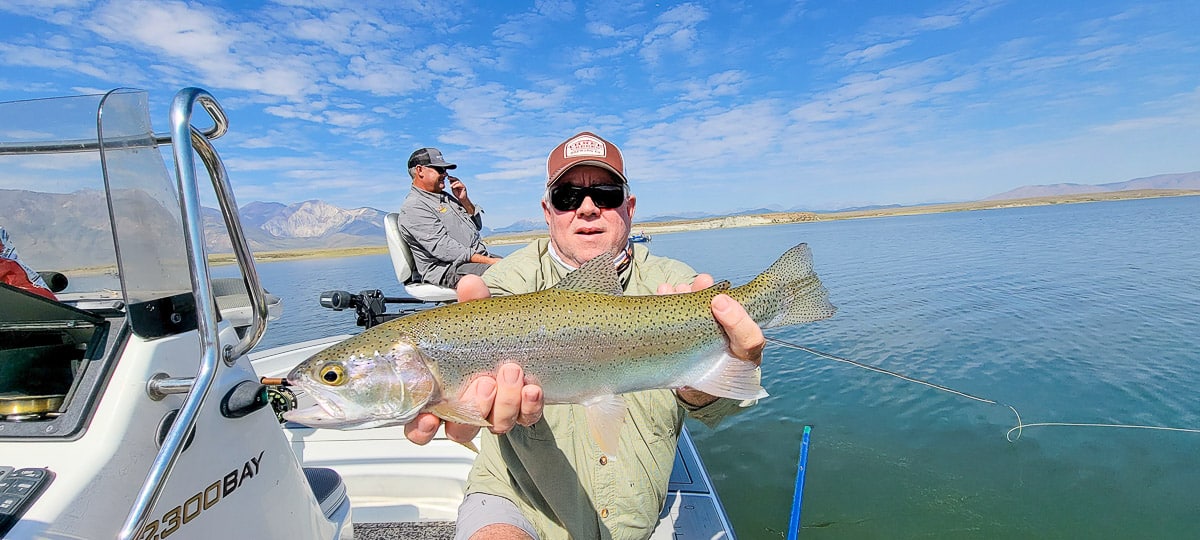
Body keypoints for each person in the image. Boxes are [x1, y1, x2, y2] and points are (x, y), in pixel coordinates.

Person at [402, 132, 766, 540]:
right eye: (568, 197)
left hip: (636, 519)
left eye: (606, 194)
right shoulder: (504, 287)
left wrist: (712, 372)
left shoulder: (676, 286)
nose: (588, 208)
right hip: (519, 501)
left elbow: (725, 409)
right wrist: (465, 406)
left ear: (629, 208)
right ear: (547, 210)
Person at [398, 147, 501, 288]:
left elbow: (477, 226)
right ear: (420, 170)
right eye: (439, 170)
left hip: (471, 261)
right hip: (449, 269)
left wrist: (464, 200)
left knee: (526, 267)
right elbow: (445, 249)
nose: (445, 174)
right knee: (507, 274)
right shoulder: (414, 207)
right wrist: (490, 261)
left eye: (445, 170)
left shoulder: (446, 197)